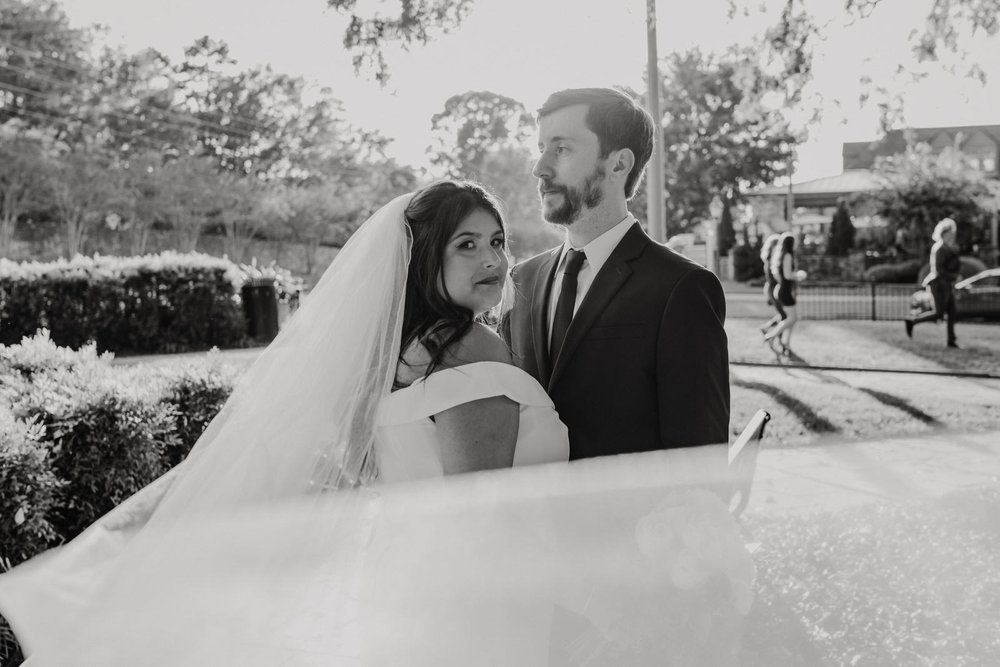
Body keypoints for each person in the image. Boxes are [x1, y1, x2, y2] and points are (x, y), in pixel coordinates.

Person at [0, 180, 753, 665]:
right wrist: (604, 604)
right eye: (467, 244)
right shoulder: (476, 353)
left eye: (497, 241)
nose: (493, 259)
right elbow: (480, 522)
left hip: (417, 594)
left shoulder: (407, 356)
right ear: (425, 258)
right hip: (482, 618)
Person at [502, 87, 730, 459]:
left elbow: (699, 463)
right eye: (541, 148)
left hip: (628, 518)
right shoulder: (521, 280)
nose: (539, 168)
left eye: (561, 149)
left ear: (619, 164)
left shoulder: (681, 288)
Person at [905, 217, 961, 348]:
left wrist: (955, 275)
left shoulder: (949, 247)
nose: (953, 235)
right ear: (945, 233)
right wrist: (954, 277)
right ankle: (912, 321)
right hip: (938, 285)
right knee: (939, 314)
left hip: (946, 284)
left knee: (952, 312)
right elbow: (939, 270)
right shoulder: (940, 248)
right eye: (951, 232)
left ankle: (951, 340)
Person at [763, 233, 806, 355]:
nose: (797, 244)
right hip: (784, 291)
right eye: (795, 241)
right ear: (790, 243)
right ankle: (771, 335)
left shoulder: (782, 255)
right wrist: (799, 275)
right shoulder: (787, 255)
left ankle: (786, 342)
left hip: (783, 289)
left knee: (791, 319)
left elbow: (779, 275)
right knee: (792, 318)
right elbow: (787, 275)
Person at [759, 233, 786, 335]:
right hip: (774, 289)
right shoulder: (772, 262)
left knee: (783, 314)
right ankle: (773, 336)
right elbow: (775, 278)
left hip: (771, 288)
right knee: (784, 315)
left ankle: (766, 328)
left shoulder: (768, 260)